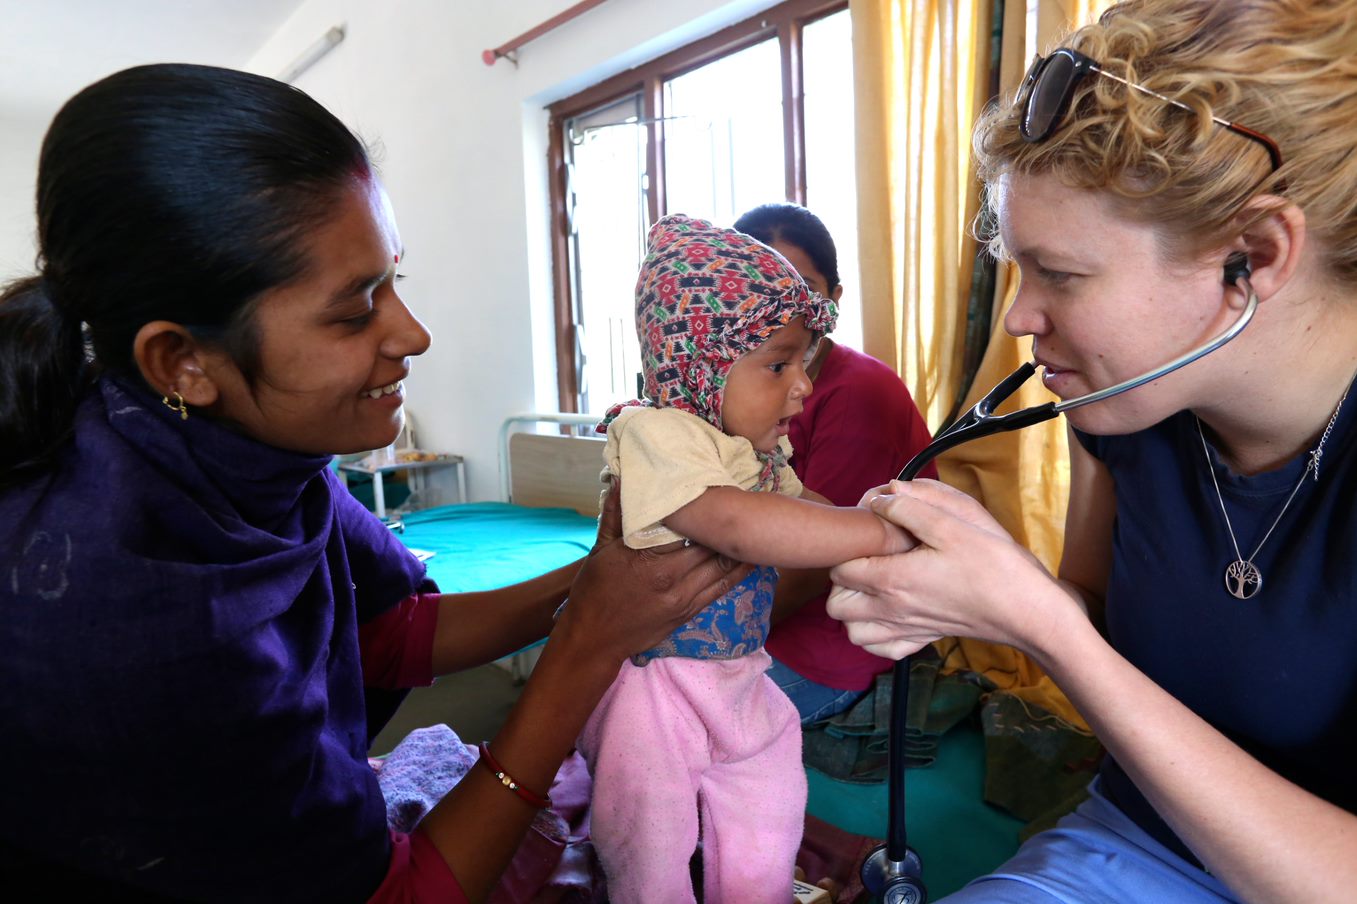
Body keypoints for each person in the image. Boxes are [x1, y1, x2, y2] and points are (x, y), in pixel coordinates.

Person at [0, 64, 748, 903]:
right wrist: (582, 651)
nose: (414, 334)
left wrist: (602, 578)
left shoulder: (250, 454)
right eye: (355, 309)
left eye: (396, 280)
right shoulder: (140, 627)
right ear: (183, 360)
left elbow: (390, 633)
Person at [825, 1, 1357, 901]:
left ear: (1255, 255)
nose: (1018, 319)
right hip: (1141, 843)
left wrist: (1045, 628)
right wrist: (981, 595)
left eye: (1060, 274)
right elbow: (1097, 610)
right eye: (1017, 268)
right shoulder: (1122, 412)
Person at [579, 214, 916, 903]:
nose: (801, 386)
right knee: (650, 841)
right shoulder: (659, 433)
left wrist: (883, 514)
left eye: (803, 362)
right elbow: (736, 525)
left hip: (736, 673)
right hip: (655, 688)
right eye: (777, 365)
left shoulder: (756, 451)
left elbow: (806, 505)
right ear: (699, 364)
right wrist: (875, 535)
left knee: (770, 799)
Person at [733, 202, 937, 724]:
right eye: (762, 286)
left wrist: (715, 641)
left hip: (835, 637)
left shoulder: (858, 393)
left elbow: (814, 560)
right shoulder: (740, 381)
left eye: (802, 286)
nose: (783, 307)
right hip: (760, 603)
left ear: (834, 298)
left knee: (668, 720)